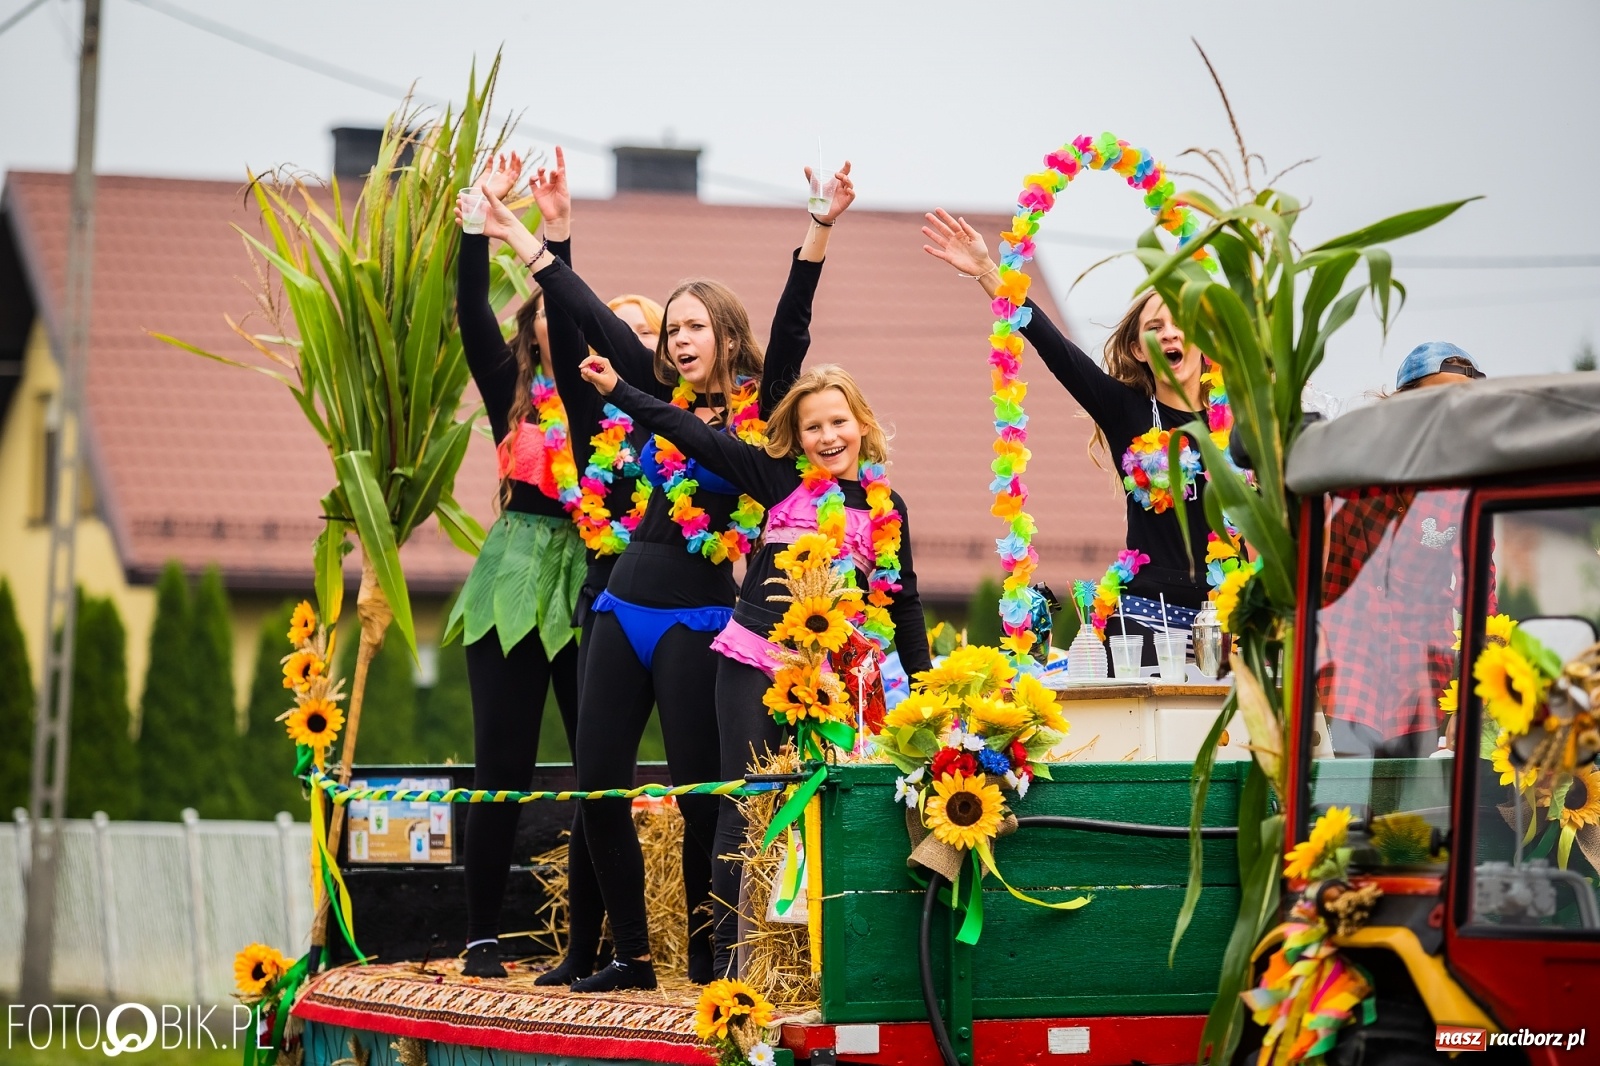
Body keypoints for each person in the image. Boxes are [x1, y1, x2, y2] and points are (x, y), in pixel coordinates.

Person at [469, 155, 855, 991]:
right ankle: (634, 958)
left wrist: (817, 231)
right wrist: (524, 239)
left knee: (699, 798)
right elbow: (584, 314)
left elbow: (793, 325)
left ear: (723, 333)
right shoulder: (647, 388)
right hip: (619, 605)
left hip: (699, 617)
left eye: (692, 328)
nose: (676, 340)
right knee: (597, 788)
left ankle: (707, 961)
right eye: (669, 328)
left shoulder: (766, 406)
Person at [581, 358, 931, 978]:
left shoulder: (887, 506)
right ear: (796, 439)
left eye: (838, 422)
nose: (828, 437)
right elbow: (689, 432)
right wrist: (618, 390)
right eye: (813, 428)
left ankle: (819, 954)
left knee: (831, 806)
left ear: (862, 424)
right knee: (744, 804)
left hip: (836, 676)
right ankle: (729, 960)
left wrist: (925, 688)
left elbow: (903, 600)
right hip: (755, 658)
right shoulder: (777, 481)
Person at [922, 209, 1213, 657]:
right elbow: (1056, 349)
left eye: (1182, 325)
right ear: (1138, 349)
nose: (1170, 335)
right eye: (1155, 328)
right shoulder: (1126, 411)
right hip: (1147, 616)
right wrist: (986, 271)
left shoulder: (1239, 423)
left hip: (1227, 616)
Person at [448, 154, 590, 978]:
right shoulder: (508, 384)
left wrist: (558, 232)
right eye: (543, 313)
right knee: (500, 762)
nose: (555, 324)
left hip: (587, 580)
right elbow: (472, 304)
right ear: (528, 325)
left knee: (594, 767)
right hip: (510, 578)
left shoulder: (600, 400)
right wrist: (483, 218)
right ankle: (480, 936)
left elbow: (573, 317)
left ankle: (590, 944)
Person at [1316, 343, 1488, 757]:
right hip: (1346, 669)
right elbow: (1309, 558)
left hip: (1424, 681)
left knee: (1415, 814)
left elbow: (1481, 595)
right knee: (1343, 804)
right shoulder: (1354, 467)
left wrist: (1471, 697)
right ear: (1404, 405)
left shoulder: (1466, 489)